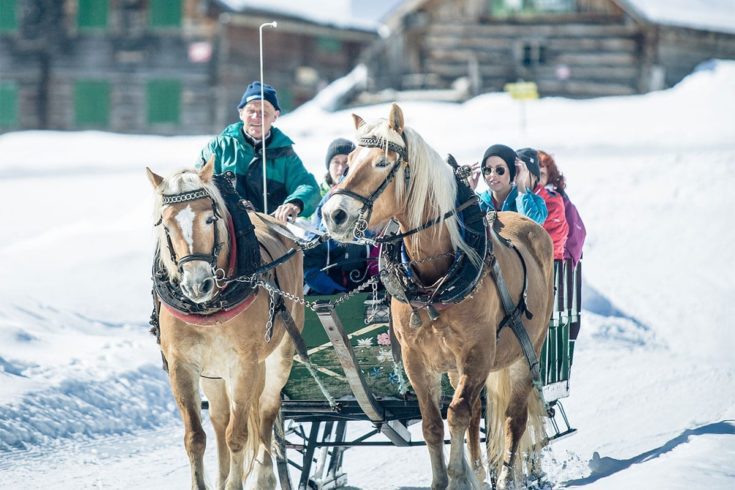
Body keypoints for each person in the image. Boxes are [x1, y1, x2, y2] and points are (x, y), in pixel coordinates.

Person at [197, 81, 320, 223]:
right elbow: (201, 183)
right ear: (241, 113)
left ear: (275, 116)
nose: (256, 117)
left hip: (271, 232)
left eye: (264, 112)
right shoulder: (219, 147)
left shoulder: (285, 154)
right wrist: (235, 204)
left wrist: (295, 203)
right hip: (226, 228)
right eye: (251, 111)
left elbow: (308, 186)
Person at [303, 138, 378, 295]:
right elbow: (311, 249)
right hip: (331, 285)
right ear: (328, 167)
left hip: (368, 283)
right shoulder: (322, 202)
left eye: (346, 162)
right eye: (336, 162)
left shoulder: (369, 198)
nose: (341, 167)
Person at [537, 150, 586, 365]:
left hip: (556, 269)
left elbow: (571, 237)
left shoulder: (555, 200)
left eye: (541, 173)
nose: (537, 178)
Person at [468, 144, 547, 224]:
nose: (492, 175)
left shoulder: (536, 202)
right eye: (487, 170)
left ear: (513, 171)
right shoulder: (480, 202)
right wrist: (468, 192)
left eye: (500, 170)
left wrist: (521, 187)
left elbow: (532, 226)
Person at [518, 147, 569, 261]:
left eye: (522, 172)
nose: (518, 177)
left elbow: (531, 228)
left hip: (547, 266)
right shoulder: (512, 195)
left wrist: (522, 193)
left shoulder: (553, 201)